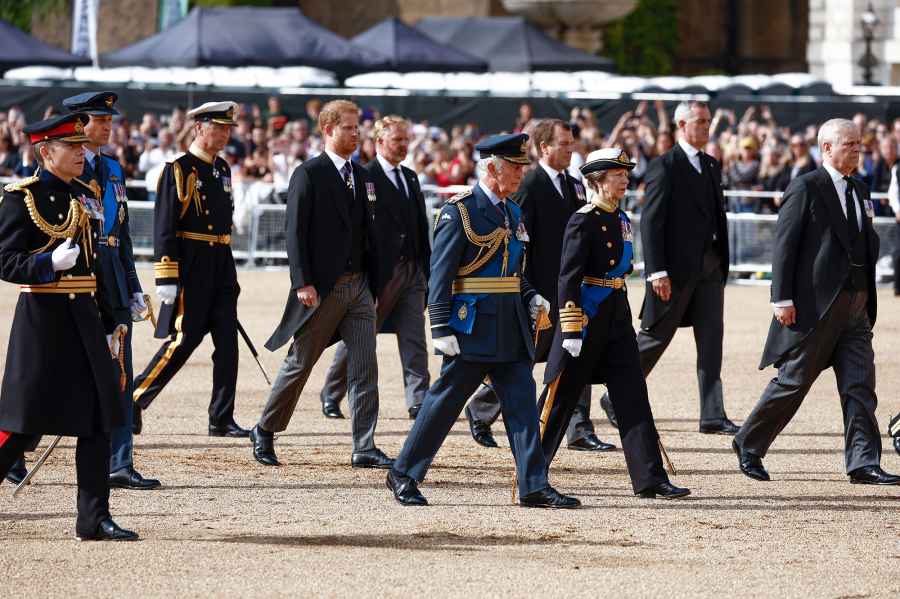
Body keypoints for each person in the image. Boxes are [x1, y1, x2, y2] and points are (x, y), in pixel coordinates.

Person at [385, 133, 579, 509]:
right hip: (471, 326)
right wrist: (440, 326)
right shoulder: (459, 211)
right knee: (443, 405)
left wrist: (530, 295)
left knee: (522, 407)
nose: (522, 174)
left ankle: (533, 485)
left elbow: (513, 269)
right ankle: (404, 472)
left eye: (523, 167)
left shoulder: (512, 211)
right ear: (492, 168)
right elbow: (439, 273)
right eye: (516, 167)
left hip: (510, 325)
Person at [733, 119, 900, 486]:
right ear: (826, 148)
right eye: (850, 144)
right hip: (817, 307)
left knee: (860, 385)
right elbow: (785, 246)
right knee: (793, 382)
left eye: (860, 143)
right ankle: (749, 443)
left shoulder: (860, 188)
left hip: (856, 305)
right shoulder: (805, 187)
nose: (858, 149)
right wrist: (782, 298)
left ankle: (863, 462)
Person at [0, 113, 138, 540]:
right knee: (23, 424)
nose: (81, 152)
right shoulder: (22, 197)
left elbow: (98, 263)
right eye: (71, 147)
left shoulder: (88, 194)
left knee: (99, 419)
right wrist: (45, 264)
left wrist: (114, 317)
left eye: (82, 146)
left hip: (86, 318)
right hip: (43, 320)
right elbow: (4, 260)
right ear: (45, 152)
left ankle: (93, 517)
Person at [541, 148, 690, 499]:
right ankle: (532, 475)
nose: (625, 179)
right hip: (586, 319)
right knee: (561, 397)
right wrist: (572, 327)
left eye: (625, 174)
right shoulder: (583, 219)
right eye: (617, 174)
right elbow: (568, 278)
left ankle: (650, 477)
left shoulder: (619, 218)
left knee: (633, 395)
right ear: (597, 179)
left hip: (616, 318)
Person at [250, 100, 391, 469]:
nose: (355, 133)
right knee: (300, 363)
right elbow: (294, 232)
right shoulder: (309, 173)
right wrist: (303, 282)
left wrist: (375, 285)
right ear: (328, 130)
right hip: (323, 289)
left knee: (365, 368)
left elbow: (369, 234)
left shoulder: (362, 176)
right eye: (348, 127)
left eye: (357, 126)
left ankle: (364, 445)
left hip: (359, 287)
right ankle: (265, 429)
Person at [465, 119, 616, 453]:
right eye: (563, 143)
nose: (570, 148)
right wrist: (526, 289)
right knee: (522, 356)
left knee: (575, 355)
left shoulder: (576, 186)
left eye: (571, 142)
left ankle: (578, 427)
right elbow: (517, 241)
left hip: (571, 289)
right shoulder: (529, 184)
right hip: (540, 289)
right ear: (544, 147)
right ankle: (481, 409)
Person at [601, 101, 737, 435]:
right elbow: (652, 221)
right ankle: (615, 395)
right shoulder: (665, 165)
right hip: (674, 271)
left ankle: (712, 414)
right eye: (700, 121)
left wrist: (720, 263)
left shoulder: (711, 164)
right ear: (681, 125)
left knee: (711, 342)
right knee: (655, 337)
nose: (706, 127)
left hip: (710, 266)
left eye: (708, 121)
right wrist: (656, 271)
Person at [132, 101, 250, 438]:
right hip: (193, 264)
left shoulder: (222, 169)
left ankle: (221, 417)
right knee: (183, 340)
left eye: (229, 128)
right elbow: (165, 226)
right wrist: (167, 275)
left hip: (221, 264)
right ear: (199, 127)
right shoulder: (179, 169)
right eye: (219, 126)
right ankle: (135, 398)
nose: (226, 134)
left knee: (228, 344)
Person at [62, 91, 161, 490]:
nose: (106, 126)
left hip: (114, 287)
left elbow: (120, 235)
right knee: (54, 376)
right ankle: (12, 454)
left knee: (121, 378)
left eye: (108, 121)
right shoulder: (65, 170)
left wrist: (134, 286)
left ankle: (120, 462)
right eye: (98, 120)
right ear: (78, 124)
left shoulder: (114, 168)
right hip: (77, 283)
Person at [319, 115, 431, 420]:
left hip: (411, 272)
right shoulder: (365, 176)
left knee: (414, 339)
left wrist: (426, 272)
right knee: (358, 337)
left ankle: (419, 400)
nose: (404, 145)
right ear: (379, 141)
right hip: (380, 274)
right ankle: (331, 393)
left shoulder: (410, 177)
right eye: (397, 139)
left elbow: (420, 227)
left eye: (406, 139)